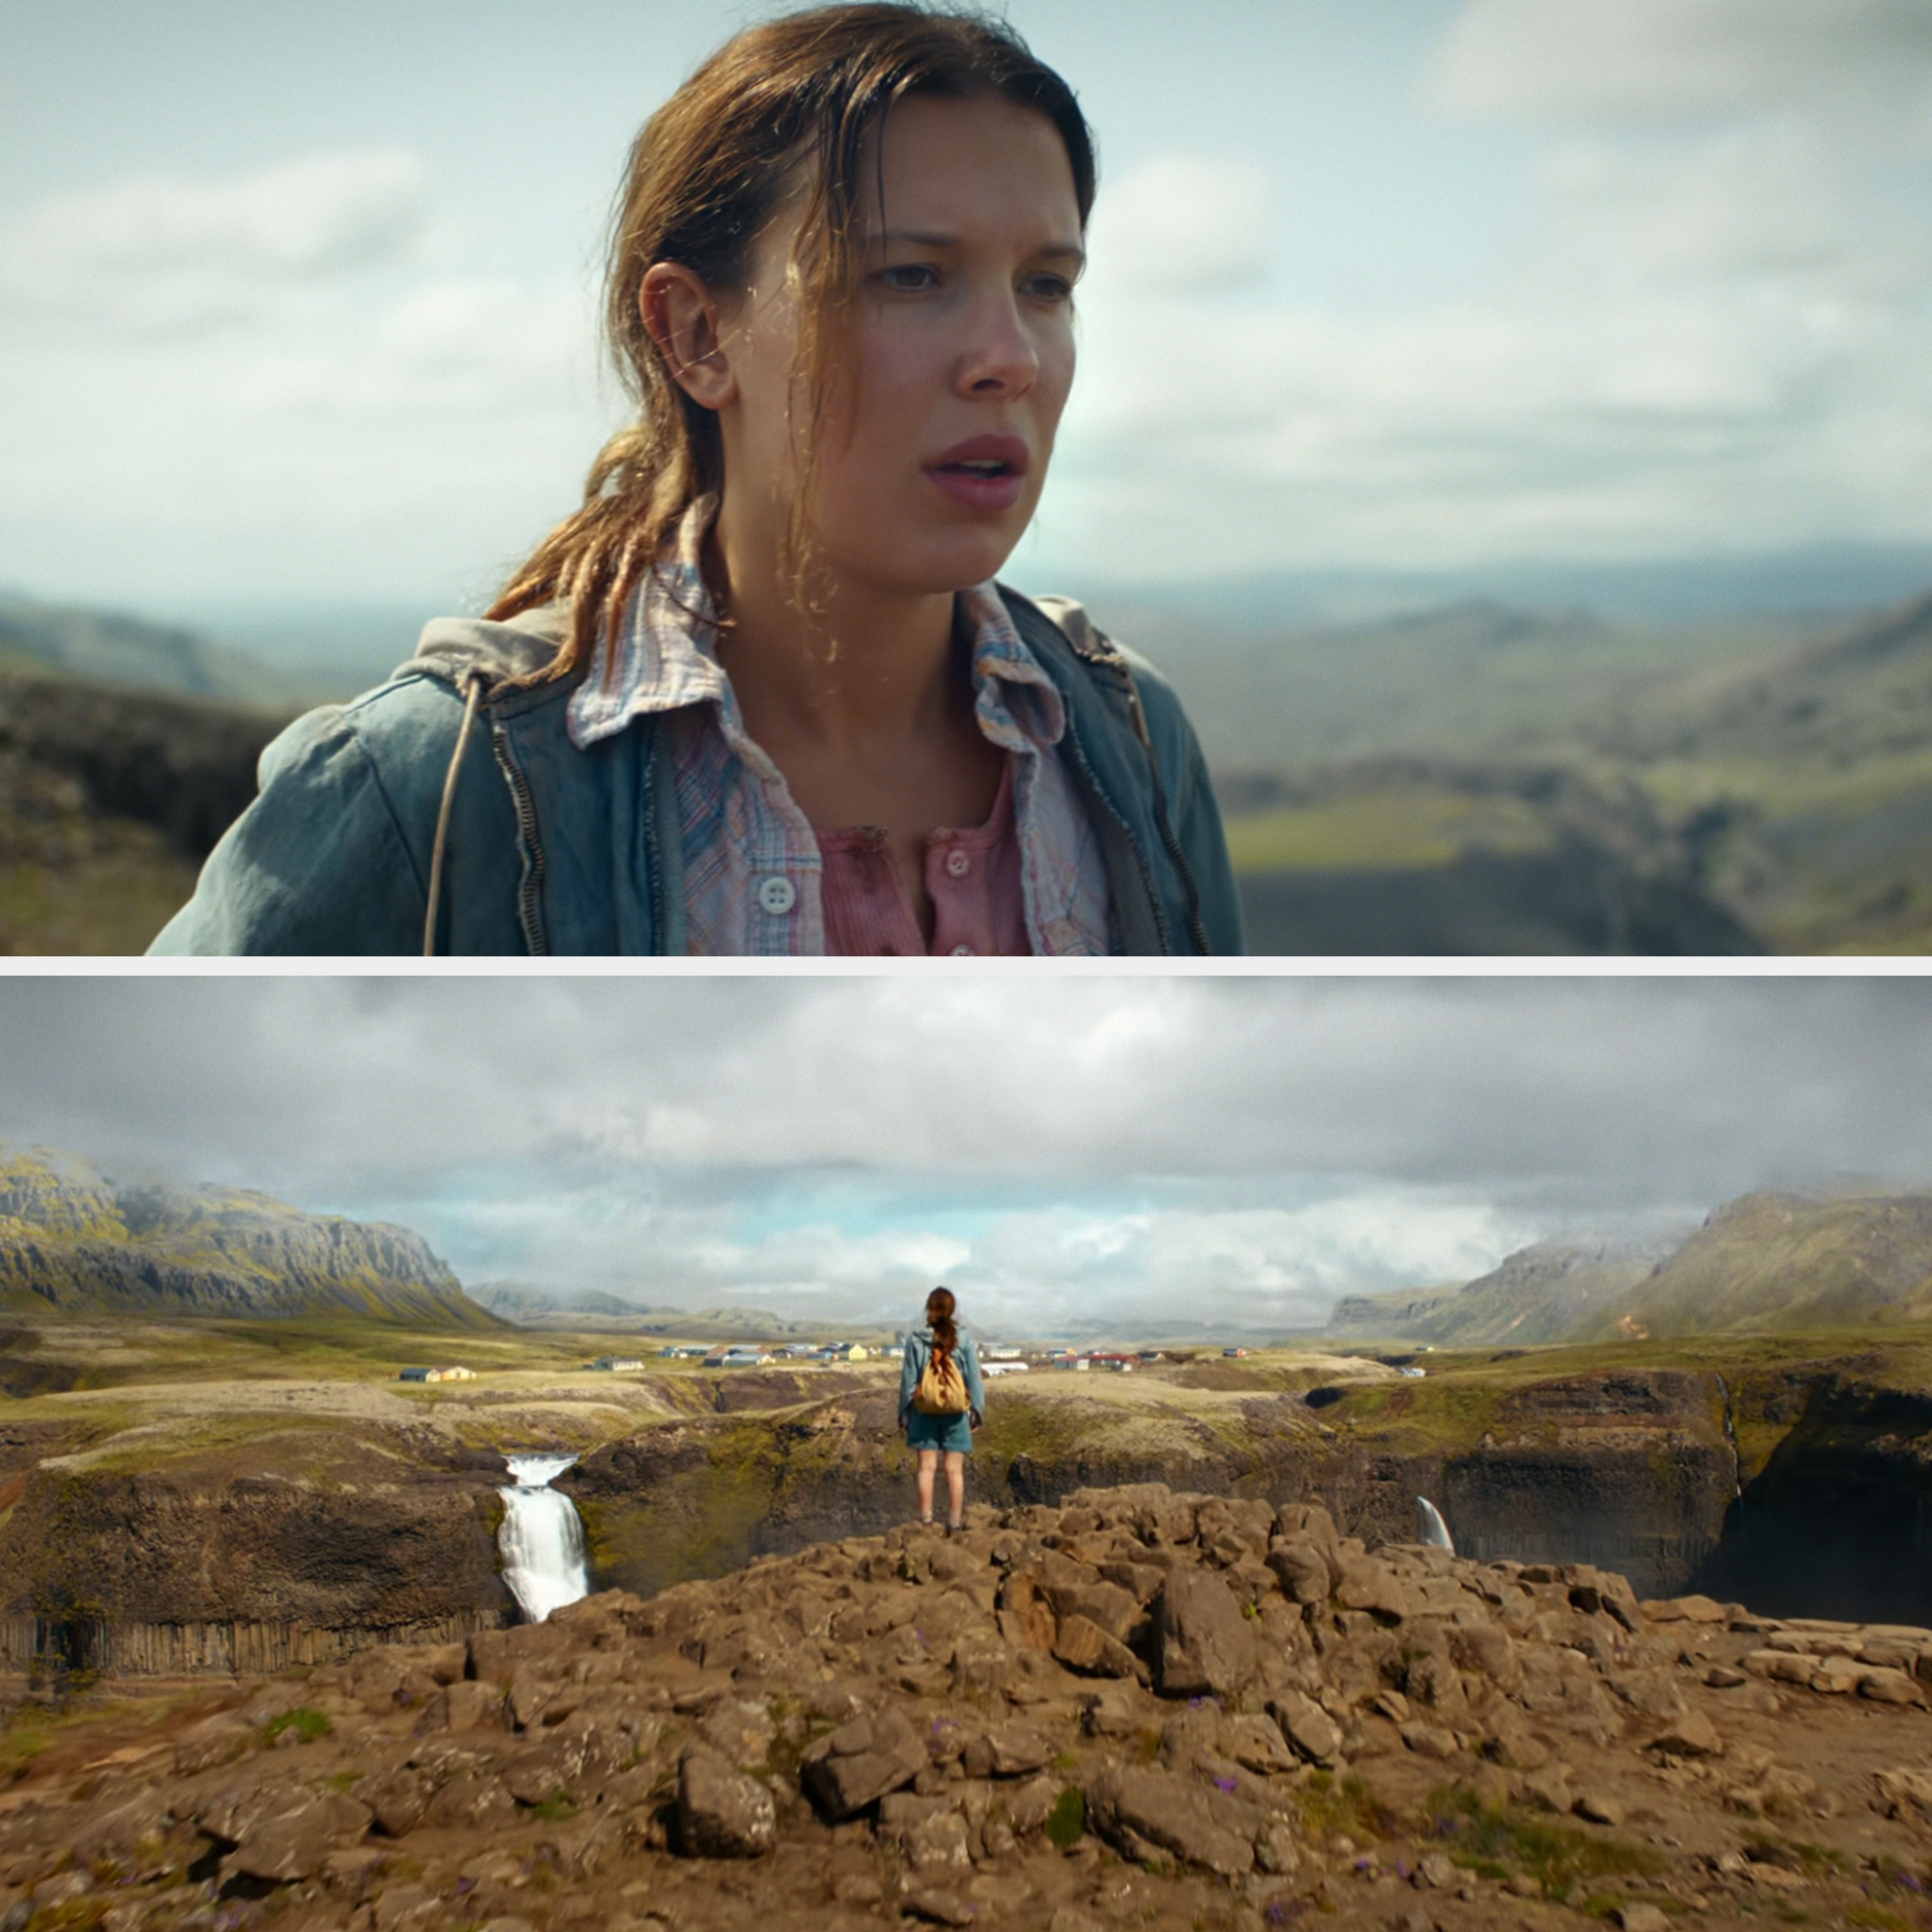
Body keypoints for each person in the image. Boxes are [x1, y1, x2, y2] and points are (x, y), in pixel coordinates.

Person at [148, 4, 1240, 956]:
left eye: (1046, 285)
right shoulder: (435, 781)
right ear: (698, 333)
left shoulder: (1129, 741)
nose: (1009, 355)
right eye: (911, 276)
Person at [898, 1286, 985, 1530]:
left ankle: (926, 1522)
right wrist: (976, 1411)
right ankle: (954, 1524)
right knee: (954, 1471)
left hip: (924, 1412)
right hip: (956, 1414)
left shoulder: (916, 1339)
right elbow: (974, 1378)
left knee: (926, 1469)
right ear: (952, 1309)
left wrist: (905, 1413)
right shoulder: (964, 1338)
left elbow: (909, 1380)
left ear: (929, 1309)